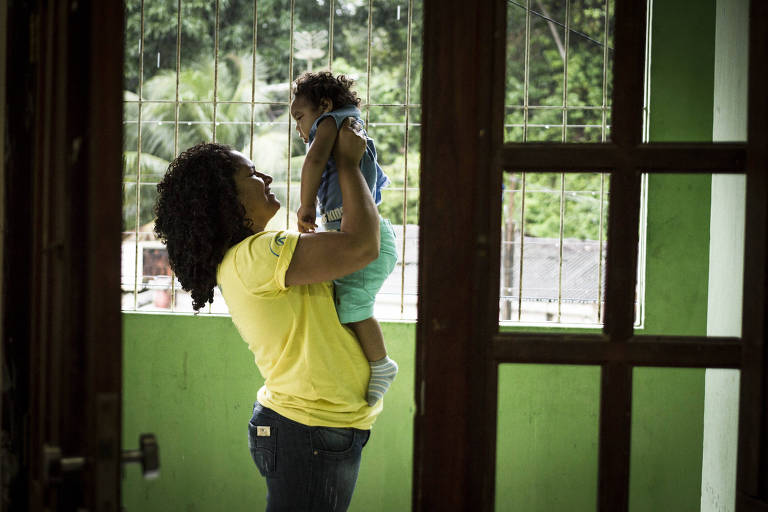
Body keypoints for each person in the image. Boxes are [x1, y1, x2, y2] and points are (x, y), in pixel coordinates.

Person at [153, 120, 380, 511]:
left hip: (314, 428)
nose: (267, 176)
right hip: (308, 430)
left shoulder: (247, 259)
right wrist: (347, 164)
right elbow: (362, 247)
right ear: (226, 198)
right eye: (252, 174)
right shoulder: (259, 255)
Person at [291, 71, 398, 407]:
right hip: (358, 231)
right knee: (344, 307)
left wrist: (306, 205)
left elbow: (314, 161)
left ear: (324, 105)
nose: (299, 129)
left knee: (353, 307)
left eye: (299, 117)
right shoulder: (351, 127)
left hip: (364, 237)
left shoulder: (332, 123)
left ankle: (381, 365)